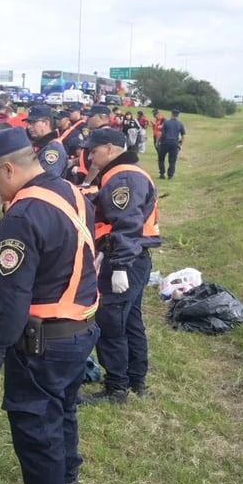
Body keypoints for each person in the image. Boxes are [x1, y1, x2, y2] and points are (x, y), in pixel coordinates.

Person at [0, 127, 100, 484]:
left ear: (8, 168)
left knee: (36, 429)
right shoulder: (70, 190)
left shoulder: (23, 215)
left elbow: (11, 303)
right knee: (63, 413)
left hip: (42, 343)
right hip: (80, 329)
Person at [78, 128, 160, 405]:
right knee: (131, 321)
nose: (90, 157)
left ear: (111, 148)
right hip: (136, 258)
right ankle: (136, 379)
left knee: (110, 322)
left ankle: (116, 388)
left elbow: (127, 224)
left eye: (94, 151)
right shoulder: (126, 173)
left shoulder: (123, 176)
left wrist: (121, 265)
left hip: (125, 259)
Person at [26, 104, 69, 178]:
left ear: (46, 123)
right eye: (28, 123)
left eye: (33, 122)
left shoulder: (53, 149)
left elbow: (47, 180)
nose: (29, 126)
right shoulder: (41, 145)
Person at [157, 109, 186, 179]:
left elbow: (160, 133)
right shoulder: (180, 124)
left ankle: (162, 174)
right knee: (172, 160)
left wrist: (157, 142)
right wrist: (180, 144)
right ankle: (170, 175)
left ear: (171, 114)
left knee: (161, 158)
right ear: (178, 115)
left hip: (165, 142)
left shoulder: (166, 123)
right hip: (174, 143)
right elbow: (183, 135)